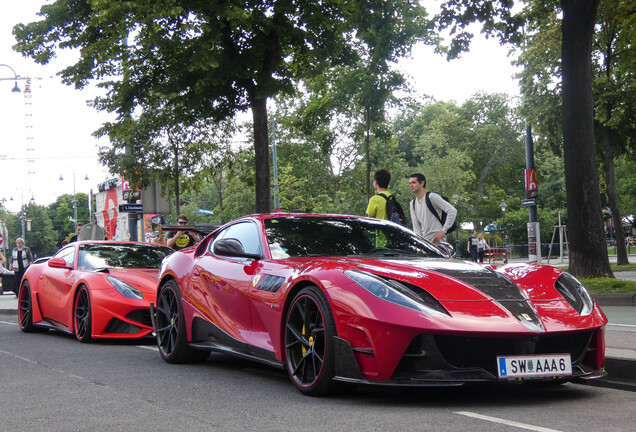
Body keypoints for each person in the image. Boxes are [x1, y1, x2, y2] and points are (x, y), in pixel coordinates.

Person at [408, 173, 457, 244]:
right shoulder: (412, 203)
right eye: (410, 183)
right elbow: (416, 227)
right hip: (425, 242)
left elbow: (452, 211)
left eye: (414, 182)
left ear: (422, 183)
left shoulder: (432, 197)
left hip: (438, 240)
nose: (411, 185)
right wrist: (419, 242)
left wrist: (443, 231)